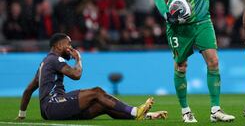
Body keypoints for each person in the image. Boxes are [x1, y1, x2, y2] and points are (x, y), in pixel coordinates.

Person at [17, 33, 167, 121]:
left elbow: (28, 90)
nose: (70, 48)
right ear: (58, 46)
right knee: (97, 92)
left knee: (103, 105)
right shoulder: (55, 59)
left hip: (50, 110)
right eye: (68, 44)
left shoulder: (44, 64)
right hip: (54, 104)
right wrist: (79, 59)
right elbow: (76, 75)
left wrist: (21, 115)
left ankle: (143, 115)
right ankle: (135, 111)